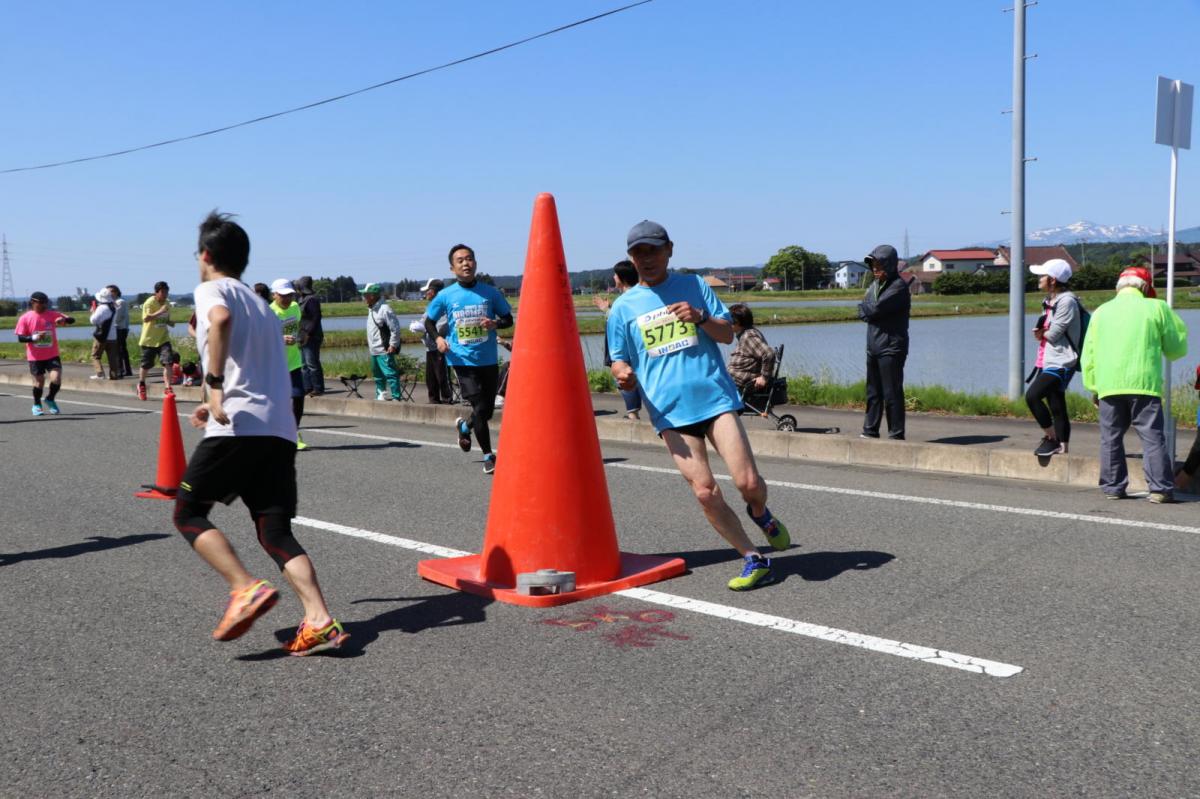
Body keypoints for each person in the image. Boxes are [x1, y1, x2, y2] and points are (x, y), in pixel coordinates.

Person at [174, 209, 348, 655]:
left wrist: (213, 390)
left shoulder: (211, 288)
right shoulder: (263, 307)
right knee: (274, 531)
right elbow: (252, 369)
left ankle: (244, 587)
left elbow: (219, 321)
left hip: (238, 428)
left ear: (206, 254)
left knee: (188, 511)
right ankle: (319, 619)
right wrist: (210, 402)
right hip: (278, 430)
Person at [607, 220, 789, 591]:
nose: (647, 258)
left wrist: (701, 317)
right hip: (669, 411)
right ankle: (753, 558)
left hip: (714, 400)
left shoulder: (695, 286)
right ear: (631, 257)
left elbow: (727, 335)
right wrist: (623, 373)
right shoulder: (623, 308)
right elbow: (618, 359)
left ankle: (761, 513)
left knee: (748, 482)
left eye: (653, 250)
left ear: (670, 250)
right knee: (705, 491)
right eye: (639, 252)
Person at [1081, 266, 1188, 503]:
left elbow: (1088, 354)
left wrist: (1093, 386)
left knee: (1110, 438)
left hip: (1109, 384)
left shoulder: (1101, 311)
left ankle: (1112, 487)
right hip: (1144, 384)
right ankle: (1159, 488)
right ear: (1146, 287)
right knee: (1152, 437)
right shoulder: (1156, 308)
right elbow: (1176, 348)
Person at [425, 244, 514, 474]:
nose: (466, 263)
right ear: (452, 268)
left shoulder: (491, 292)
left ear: (475, 262)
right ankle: (488, 456)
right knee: (480, 406)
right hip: (461, 360)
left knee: (486, 412)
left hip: (487, 358)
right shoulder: (445, 295)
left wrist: (495, 323)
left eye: (469, 259)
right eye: (460, 260)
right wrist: (438, 340)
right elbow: (428, 322)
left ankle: (465, 425)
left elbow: (508, 319)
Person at [1025, 259, 1081, 457]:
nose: (1039, 279)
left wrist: (1042, 333)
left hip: (1063, 361)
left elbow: (1052, 334)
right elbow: (1045, 331)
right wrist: (1042, 332)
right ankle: (1063, 448)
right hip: (1048, 358)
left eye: (1042, 276)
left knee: (1032, 396)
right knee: (1056, 404)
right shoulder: (1050, 301)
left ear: (1053, 280)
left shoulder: (1067, 301)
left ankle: (1052, 438)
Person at [857, 244, 911, 440]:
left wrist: (866, 309)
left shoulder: (898, 287)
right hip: (873, 346)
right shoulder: (874, 286)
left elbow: (874, 309)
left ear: (889, 265)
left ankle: (896, 434)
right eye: (873, 265)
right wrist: (866, 309)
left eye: (878, 265)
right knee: (873, 392)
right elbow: (863, 311)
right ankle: (870, 430)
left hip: (891, 347)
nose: (875, 270)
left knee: (892, 393)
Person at [594, 260, 642, 420]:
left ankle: (633, 414)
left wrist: (607, 310)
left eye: (615, 275)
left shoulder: (628, 299)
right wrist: (608, 309)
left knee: (624, 374)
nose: (614, 277)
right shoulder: (634, 296)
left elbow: (625, 320)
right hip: (632, 346)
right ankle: (633, 412)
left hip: (626, 348)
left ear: (622, 278)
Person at [14, 291, 75, 416]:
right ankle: (37, 404)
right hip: (35, 356)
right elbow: (20, 338)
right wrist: (34, 337)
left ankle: (50, 398)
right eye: (41, 303)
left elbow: (71, 320)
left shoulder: (52, 314)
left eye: (45, 303)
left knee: (56, 378)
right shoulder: (25, 318)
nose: (43, 305)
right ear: (33, 302)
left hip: (52, 354)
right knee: (39, 382)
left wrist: (64, 320)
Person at [270, 279, 308, 450]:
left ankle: (293, 432)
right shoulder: (269, 313)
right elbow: (260, 339)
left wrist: (301, 337)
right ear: (274, 295)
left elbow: (299, 326)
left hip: (293, 362)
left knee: (299, 397)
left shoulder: (294, 307)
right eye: (283, 295)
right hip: (274, 365)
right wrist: (280, 338)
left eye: (289, 295)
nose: (286, 298)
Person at [411, 278, 453, 404]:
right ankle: (433, 400)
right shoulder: (431, 306)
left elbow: (443, 325)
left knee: (442, 376)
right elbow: (425, 322)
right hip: (430, 347)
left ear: (434, 291)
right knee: (431, 377)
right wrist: (418, 326)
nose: (426, 294)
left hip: (440, 346)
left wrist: (424, 329)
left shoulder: (444, 305)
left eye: (427, 291)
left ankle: (447, 400)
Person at [726, 303, 777, 401]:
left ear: (737, 322)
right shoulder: (746, 334)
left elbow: (769, 353)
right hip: (734, 382)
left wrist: (764, 377)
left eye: (729, 320)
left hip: (740, 385)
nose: (727, 323)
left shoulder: (748, 336)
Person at [363, 283, 403, 401]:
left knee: (390, 374)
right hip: (374, 350)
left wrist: (393, 345)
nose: (364, 297)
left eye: (366, 295)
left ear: (373, 295)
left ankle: (396, 397)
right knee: (378, 376)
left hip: (384, 349)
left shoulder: (384, 309)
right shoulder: (371, 309)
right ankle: (381, 396)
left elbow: (395, 328)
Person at [137, 280, 174, 401]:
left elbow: (165, 318)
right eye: (162, 292)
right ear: (156, 292)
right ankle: (141, 384)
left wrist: (169, 322)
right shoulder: (149, 302)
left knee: (168, 362)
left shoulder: (167, 303)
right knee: (146, 365)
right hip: (149, 339)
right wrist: (160, 311)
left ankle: (168, 387)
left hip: (163, 338)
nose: (165, 294)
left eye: (166, 292)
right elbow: (146, 319)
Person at [293, 276, 325, 397]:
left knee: (312, 363)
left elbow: (316, 318)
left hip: (311, 336)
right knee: (303, 364)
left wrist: (308, 333)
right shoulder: (302, 299)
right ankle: (307, 387)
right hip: (302, 335)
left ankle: (318, 388)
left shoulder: (311, 300)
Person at [89, 287, 122, 380]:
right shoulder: (114, 307)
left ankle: (100, 373)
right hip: (113, 336)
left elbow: (93, 321)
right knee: (112, 357)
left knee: (95, 355)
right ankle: (114, 374)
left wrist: (93, 312)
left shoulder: (101, 308)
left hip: (102, 336)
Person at [109, 285, 133, 377]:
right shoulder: (116, 302)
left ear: (116, 292)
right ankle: (126, 369)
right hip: (119, 328)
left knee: (119, 349)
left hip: (120, 328)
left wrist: (110, 324)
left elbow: (118, 316)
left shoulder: (120, 302)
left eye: (111, 291)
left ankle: (122, 370)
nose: (109, 293)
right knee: (121, 349)